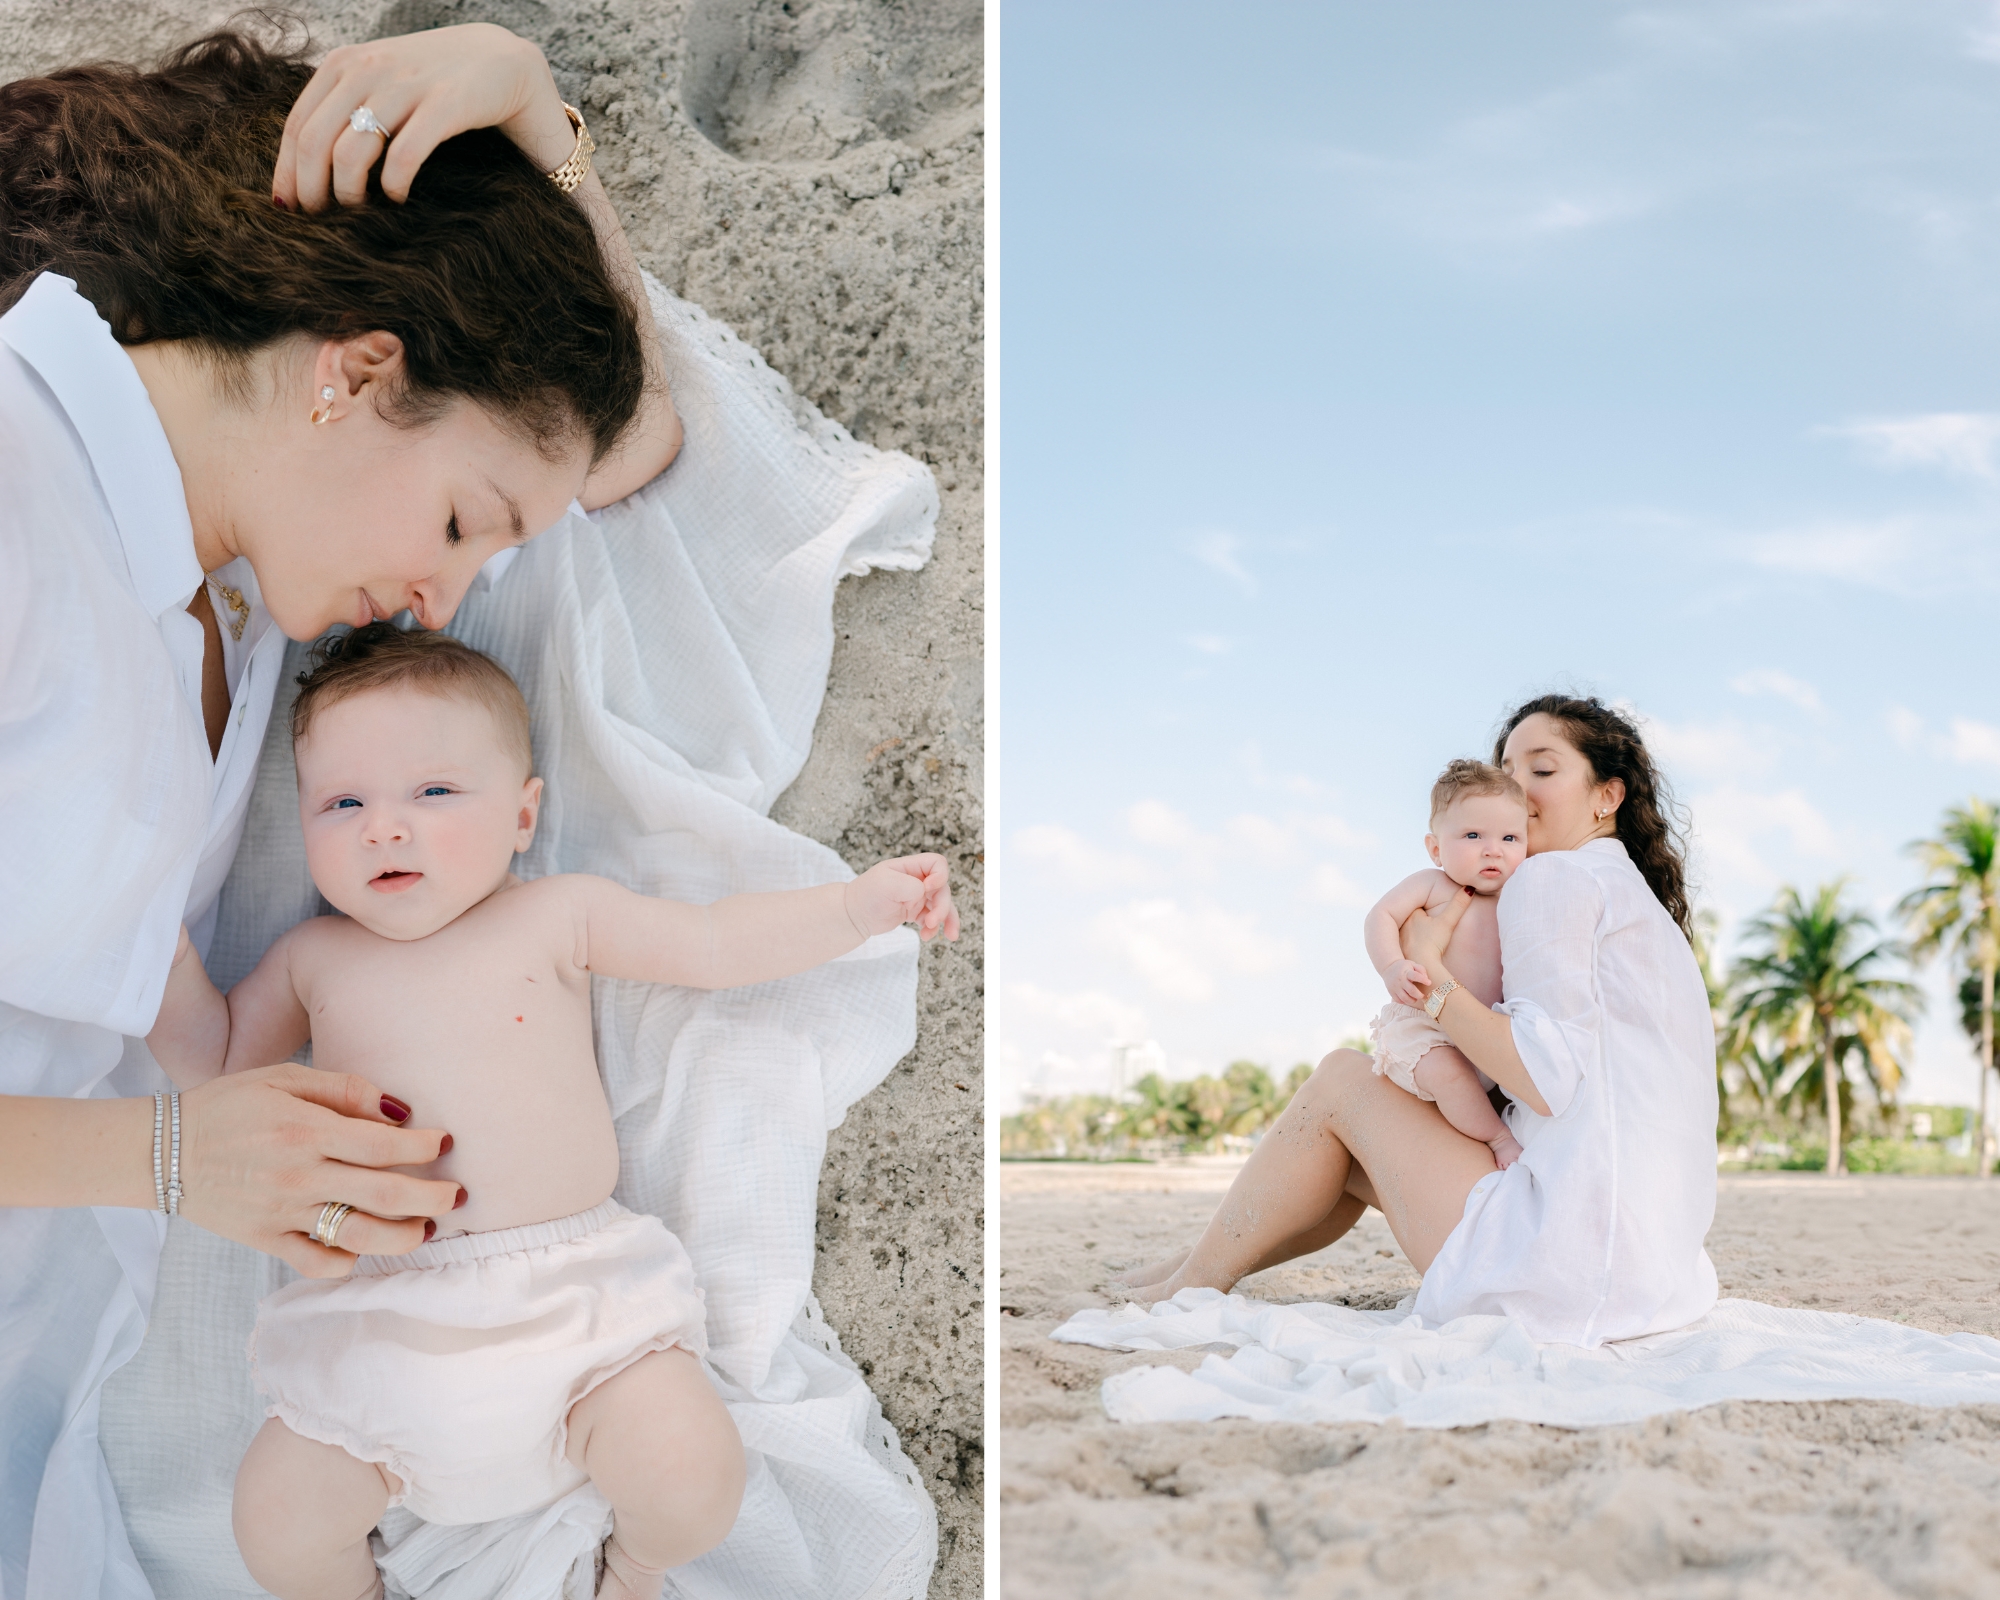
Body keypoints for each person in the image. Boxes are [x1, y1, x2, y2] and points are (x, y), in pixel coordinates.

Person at [0, 21, 682, 1593]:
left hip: (66, 1385)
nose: (447, 598)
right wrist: (162, 1159)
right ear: (358, 373)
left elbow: (628, 439)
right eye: (460, 523)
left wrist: (535, 122)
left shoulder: (221, 567)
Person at [143, 624, 958, 1600]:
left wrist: (852, 908)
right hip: (381, 1319)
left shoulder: (554, 912)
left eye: (433, 791)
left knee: (695, 1475)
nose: (383, 827)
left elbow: (708, 943)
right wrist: (150, 942)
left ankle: (636, 1567)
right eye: (342, 801)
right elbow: (219, 1062)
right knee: (272, 1522)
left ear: (522, 813)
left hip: (579, 1310)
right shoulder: (313, 959)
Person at [1120, 694, 1719, 1348]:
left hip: (1560, 1271)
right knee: (1346, 1148)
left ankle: (1192, 1282)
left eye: (1542, 770)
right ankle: (1194, 1270)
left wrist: (1432, 975)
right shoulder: (1636, 901)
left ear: (1607, 796)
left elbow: (1547, 1079)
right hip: (1650, 1274)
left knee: (1343, 1081)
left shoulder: (1552, 881)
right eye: (1507, 770)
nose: (1517, 787)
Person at [1361, 758, 1528, 1168]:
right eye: (1473, 835)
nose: (1493, 849)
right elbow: (1379, 916)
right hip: (1425, 1032)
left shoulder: (1521, 898)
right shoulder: (1433, 885)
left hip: (1481, 1036)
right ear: (1436, 848)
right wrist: (1391, 966)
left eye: (1510, 837)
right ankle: (1498, 1138)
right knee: (1450, 1074)